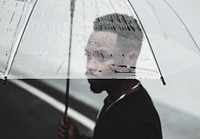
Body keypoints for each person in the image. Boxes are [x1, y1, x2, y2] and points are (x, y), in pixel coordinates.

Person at [58, 13, 162, 139]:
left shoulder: (137, 127)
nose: (90, 65)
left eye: (102, 56)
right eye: (88, 55)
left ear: (130, 60)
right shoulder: (116, 98)